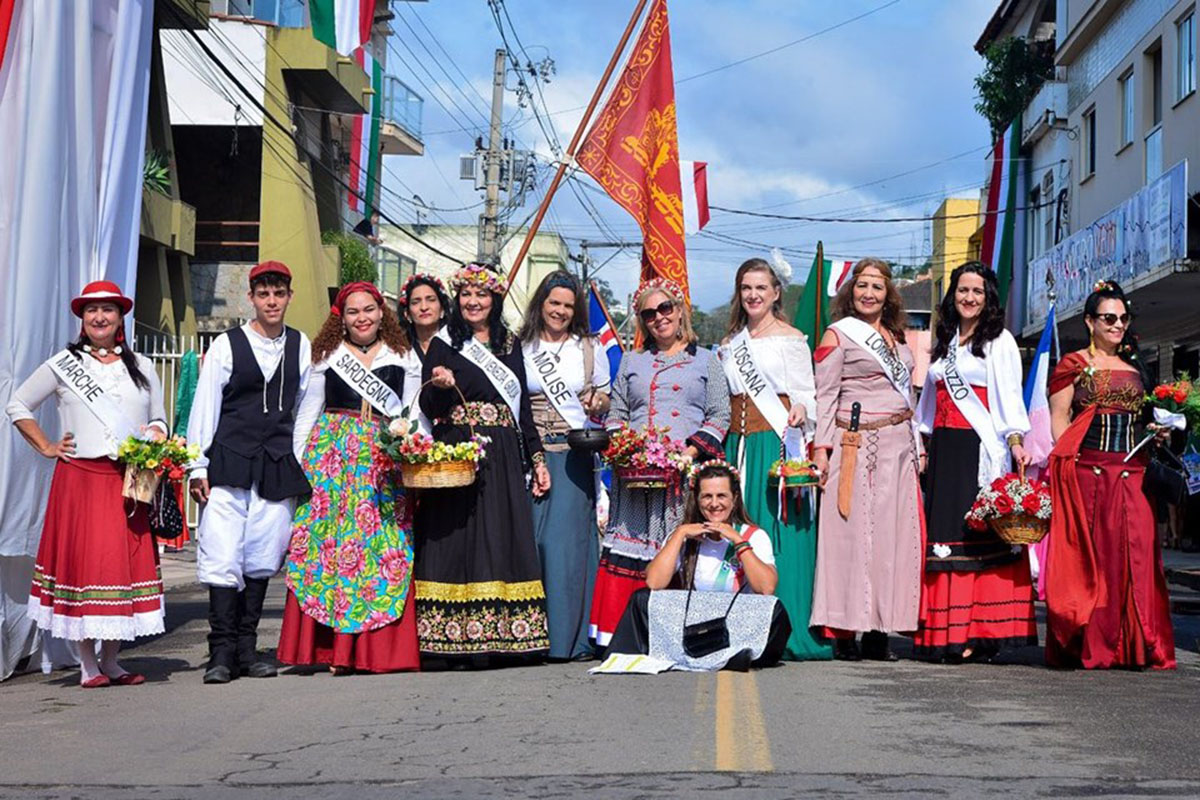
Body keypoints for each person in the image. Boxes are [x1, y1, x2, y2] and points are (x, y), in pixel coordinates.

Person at [5, 281, 167, 687]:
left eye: (108, 310)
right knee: (87, 567)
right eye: (92, 310)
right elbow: (18, 404)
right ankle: (87, 664)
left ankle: (111, 661)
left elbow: (160, 418)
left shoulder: (142, 367)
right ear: (82, 318)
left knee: (121, 569)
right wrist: (45, 444)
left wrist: (157, 435)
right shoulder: (64, 364)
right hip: (80, 479)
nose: (100, 317)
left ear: (120, 318)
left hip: (128, 482)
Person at [277, 282, 423, 675]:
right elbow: (308, 411)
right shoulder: (327, 355)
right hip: (332, 456)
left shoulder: (403, 354)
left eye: (369, 310)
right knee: (330, 548)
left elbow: (412, 411)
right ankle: (331, 649)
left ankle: (369, 650)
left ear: (382, 312)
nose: (363, 318)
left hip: (380, 457)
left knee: (380, 546)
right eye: (354, 312)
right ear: (343, 317)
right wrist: (297, 462)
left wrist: (417, 451)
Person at [415, 263, 550, 661]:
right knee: (455, 537)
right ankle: (450, 638)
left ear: (495, 300)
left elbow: (521, 407)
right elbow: (428, 404)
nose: (474, 302)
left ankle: (507, 637)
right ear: (457, 299)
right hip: (458, 448)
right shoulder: (444, 343)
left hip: (505, 452)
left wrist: (537, 458)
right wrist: (440, 386)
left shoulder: (510, 343)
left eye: (483, 294)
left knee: (500, 536)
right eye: (467, 294)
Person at [187, 261, 313, 684]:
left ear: (288, 297)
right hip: (229, 458)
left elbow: (304, 407)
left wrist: (293, 456)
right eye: (264, 294)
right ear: (252, 298)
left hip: (275, 463)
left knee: (262, 555)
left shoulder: (301, 345)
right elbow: (205, 405)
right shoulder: (227, 344)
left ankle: (247, 648)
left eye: (279, 293)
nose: (272, 301)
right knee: (223, 554)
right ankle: (220, 652)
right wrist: (196, 464)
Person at [588, 277, 730, 651]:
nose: (658, 318)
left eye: (665, 308)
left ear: (680, 310)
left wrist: (689, 454)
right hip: (634, 477)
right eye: (648, 313)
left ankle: (678, 636)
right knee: (629, 544)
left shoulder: (706, 360)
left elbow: (719, 415)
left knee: (675, 544)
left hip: (680, 476)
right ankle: (620, 633)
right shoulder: (633, 361)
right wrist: (626, 449)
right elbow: (617, 413)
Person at [1045, 280, 1175, 670]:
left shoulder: (1134, 368)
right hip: (1090, 471)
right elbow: (1059, 419)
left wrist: (1158, 432)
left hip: (1133, 474)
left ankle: (1134, 643)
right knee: (1096, 557)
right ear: (1090, 322)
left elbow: (1140, 420)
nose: (1117, 325)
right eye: (1108, 318)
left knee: (1136, 554)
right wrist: (1067, 464)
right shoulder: (1073, 364)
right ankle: (1092, 640)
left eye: (1122, 318)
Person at [912, 262, 1037, 663]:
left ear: (988, 299)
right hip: (946, 449)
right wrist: (922, 442)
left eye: (977, 292)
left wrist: (1016, 441)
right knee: (945, 538)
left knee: (977, 539)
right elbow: (929, 404)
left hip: (977, 448)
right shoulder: (946, 339)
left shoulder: (997, 340)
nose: (969, 298)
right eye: (963, 290)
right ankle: (944, 630)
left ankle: (978, 633)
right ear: (953, 296)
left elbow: (1009, 397)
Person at [718, 257, 831, 662]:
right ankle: (740, 626)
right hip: (738, 445)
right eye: (746, 288)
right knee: (740, 535)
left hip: (776, 444)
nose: (753, 295)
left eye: (761, 288)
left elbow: (807, 393)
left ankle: (787, 628)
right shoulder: (731, 344)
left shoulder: (791, 340)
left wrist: (802, 412)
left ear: (776, 293)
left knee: (780, 535)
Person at [810, 258, 923, 661]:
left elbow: (909, 395)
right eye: (862, 286)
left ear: (888, 293)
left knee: (892, 540)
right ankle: (844, 629)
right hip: (852, 443)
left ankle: (880, 629)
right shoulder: (837, 335)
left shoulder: (897, 337)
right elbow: (825, 397)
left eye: (877, 287)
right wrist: (821, 451)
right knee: (849, 537)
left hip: (898, 444)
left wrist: (919, 445)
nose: (869, 294)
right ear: (850, 291)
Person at [606, 461, 791, 670]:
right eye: (707, 496)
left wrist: (738, 541)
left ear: (735, 498)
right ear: (697, 499)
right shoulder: (685, 535)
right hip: (692, 619)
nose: (714, 504)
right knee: (641, 599)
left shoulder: (753, 536)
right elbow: (654, 582)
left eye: (721, 496)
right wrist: (680, 535)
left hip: (737, 620)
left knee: (775, 610)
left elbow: (766, 588)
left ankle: (737, 654)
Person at [518, 271, 611, 661]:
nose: (559, 310)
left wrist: (596, 404)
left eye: (567, 305)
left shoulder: (588, 348)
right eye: (553, 302)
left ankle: (565, 639)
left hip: (573, 457)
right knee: (528, 543)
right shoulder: (520, 346)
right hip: (528, 452)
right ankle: (525, 635)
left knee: (564, 549)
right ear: (541, 302)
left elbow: (605, 398)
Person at [400, 273, 451, 363]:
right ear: (407, 314)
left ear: (442, 309)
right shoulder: (400, 352)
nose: (424, 307)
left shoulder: (458, 346)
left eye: (431, 300)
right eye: (415, 302)